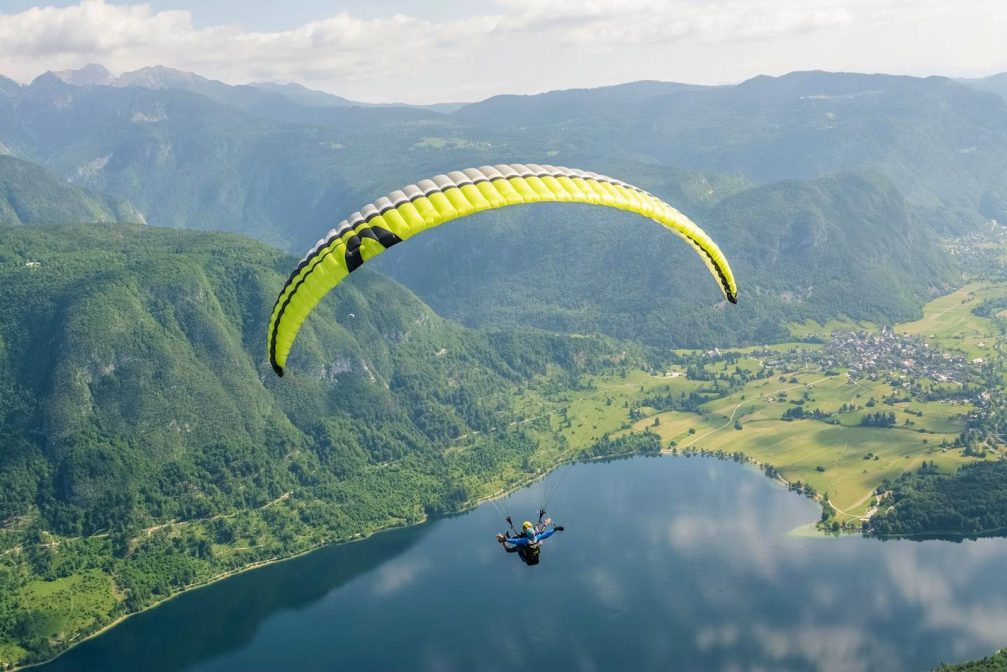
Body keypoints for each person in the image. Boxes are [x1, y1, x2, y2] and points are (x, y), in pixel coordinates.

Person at [496, 511, 564, 566]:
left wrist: (505, 539)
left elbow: (515, 541)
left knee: (514, 548)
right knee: (540, 539)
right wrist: (555, 529)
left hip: (525, 559)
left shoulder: (524, 540)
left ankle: (504, 541)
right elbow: (546, 534)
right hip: (535, 557)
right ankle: (506, 539)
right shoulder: (537, 537)